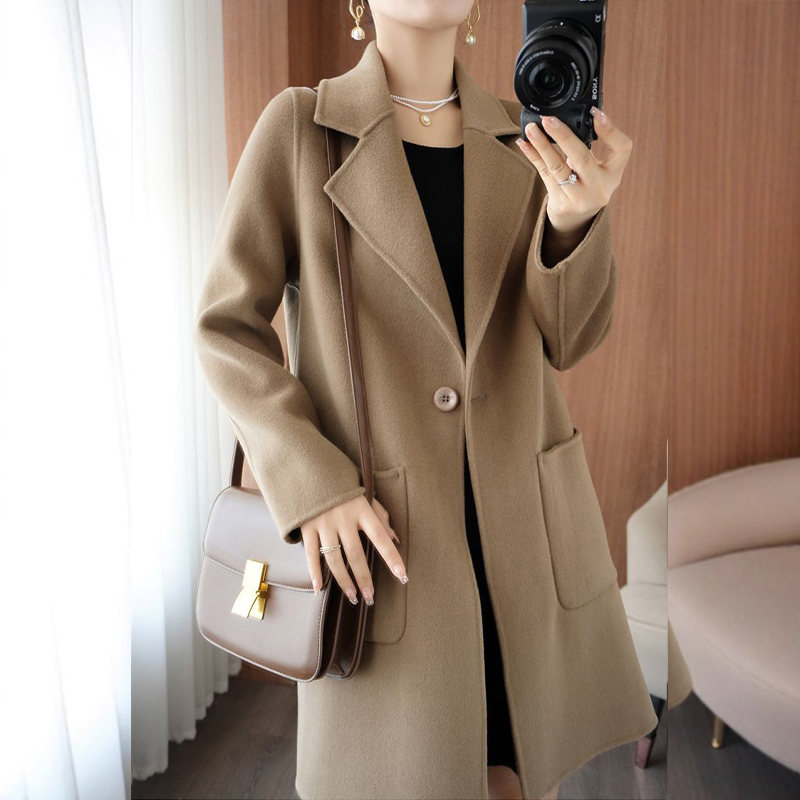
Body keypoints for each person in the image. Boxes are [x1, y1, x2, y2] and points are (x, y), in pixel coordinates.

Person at [193, 2, 657, 799]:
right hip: (390, 543)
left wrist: (576, 221)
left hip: (521, 544)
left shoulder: (527, 138)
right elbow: (225, 328)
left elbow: (571, 338)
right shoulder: (302, 128)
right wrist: (313, 482)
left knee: (519, 777)